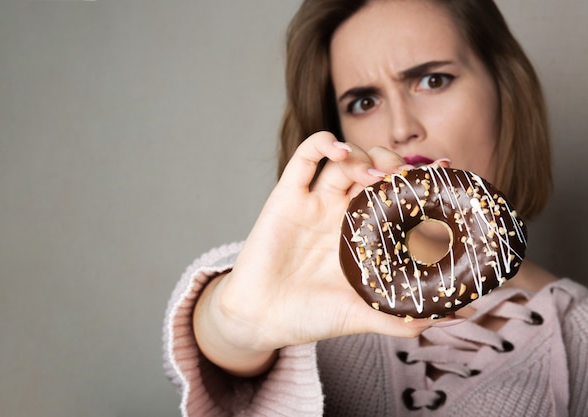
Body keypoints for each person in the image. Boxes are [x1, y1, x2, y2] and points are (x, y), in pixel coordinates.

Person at [163, 0, 588, 415]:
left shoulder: (580, 338)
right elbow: (215, 348)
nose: (401, 128)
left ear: (504, 87)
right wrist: (238, 323)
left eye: (433, 80)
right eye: (364, 102)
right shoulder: (296, 280)